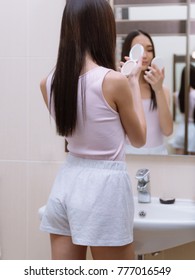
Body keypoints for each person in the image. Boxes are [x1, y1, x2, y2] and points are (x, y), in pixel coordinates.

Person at [39, 0, 146, 260]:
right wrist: (133, 82)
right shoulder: (113, 81)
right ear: (102, 28)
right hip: (105, 190)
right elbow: (139, 138)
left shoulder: (49, 83)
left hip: (66, 183)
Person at [121, 30, 173, 155]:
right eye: (138, 50)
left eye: (149, 50)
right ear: (128, 52)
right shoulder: (121, 87)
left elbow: (167, 131)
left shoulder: (163, 89)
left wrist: (158, 89)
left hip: (158, 155)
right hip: (130, 154)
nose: (144, 55)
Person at [170, 64, 195, 155]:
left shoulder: (176, 95)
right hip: (193, 130)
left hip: (181, 128)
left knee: (179, 162)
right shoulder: (194, 94)